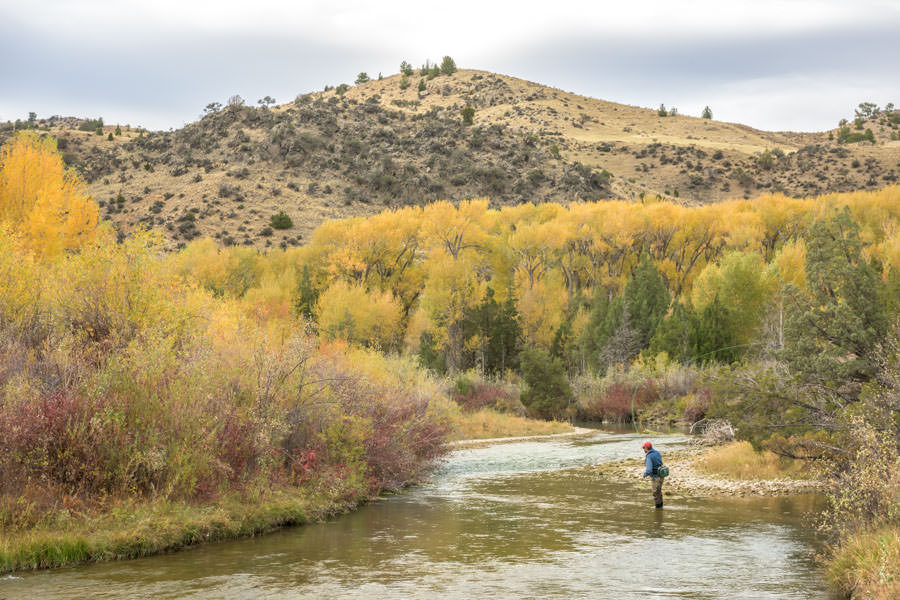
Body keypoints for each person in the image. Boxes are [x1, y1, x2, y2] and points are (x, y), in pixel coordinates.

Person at [642, 441, 663, 508]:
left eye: (643, 448)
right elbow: (661, 463)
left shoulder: (649, 456)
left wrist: (645, 474)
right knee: (659, 492)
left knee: (655, 493)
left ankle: (658, 509)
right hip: (661, 475)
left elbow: (648, 470)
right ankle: (661, 507)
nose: (643, 450)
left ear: (647, 448)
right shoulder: (657, 453)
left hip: (655, 477)